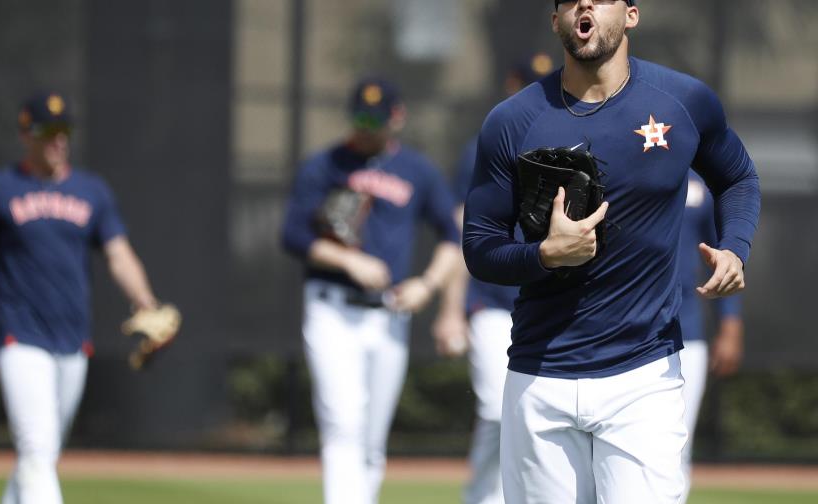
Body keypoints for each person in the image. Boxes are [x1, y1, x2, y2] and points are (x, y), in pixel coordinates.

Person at [461, 1, 761, 503]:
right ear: (555, 20)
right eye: (569, 0)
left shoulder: (683, 101)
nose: (584, 4)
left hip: (644, 377)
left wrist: (735, 247)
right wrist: (545, 255)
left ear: (631, 15)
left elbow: (738, 178)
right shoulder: (511, 121)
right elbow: (479, 247)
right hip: (540, 377)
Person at [0, 92, 164, 504]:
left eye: (65, 131)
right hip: (19, 334)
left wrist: (145, 301)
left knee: (41, 455)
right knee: (37, 447)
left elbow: (119, 254)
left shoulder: (92, 191)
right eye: (49, 131)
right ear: (26, 134)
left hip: (73, 340)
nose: (59, 140)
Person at [281, 77, 461, 504]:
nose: (365, 128)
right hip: (332, 309)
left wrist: (428, 285)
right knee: (343, 425)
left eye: (374, 121)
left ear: (397, 118)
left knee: (371, 440)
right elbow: (292, 235)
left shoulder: (416, 170)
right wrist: (348, 260)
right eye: (360, 119)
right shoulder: (325, 165)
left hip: (389, 314)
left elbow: (453, 235)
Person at [433, 54, 554, 504]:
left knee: (538, 409)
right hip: (492, 302)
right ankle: (483, 497)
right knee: (496, 405)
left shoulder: (572, 139)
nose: (536, 94)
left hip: (549, 302)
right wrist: (451, 310)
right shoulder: (485, 144)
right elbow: (463, 229)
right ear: (511, 84)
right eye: (528, 84)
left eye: (543, 85)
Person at [678, 170, 744, 502]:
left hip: (686, 334)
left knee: (677, 445)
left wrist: (730, 326)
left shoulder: (701, 177)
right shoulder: (619, 160)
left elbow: (721, 256)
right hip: (617, 331)